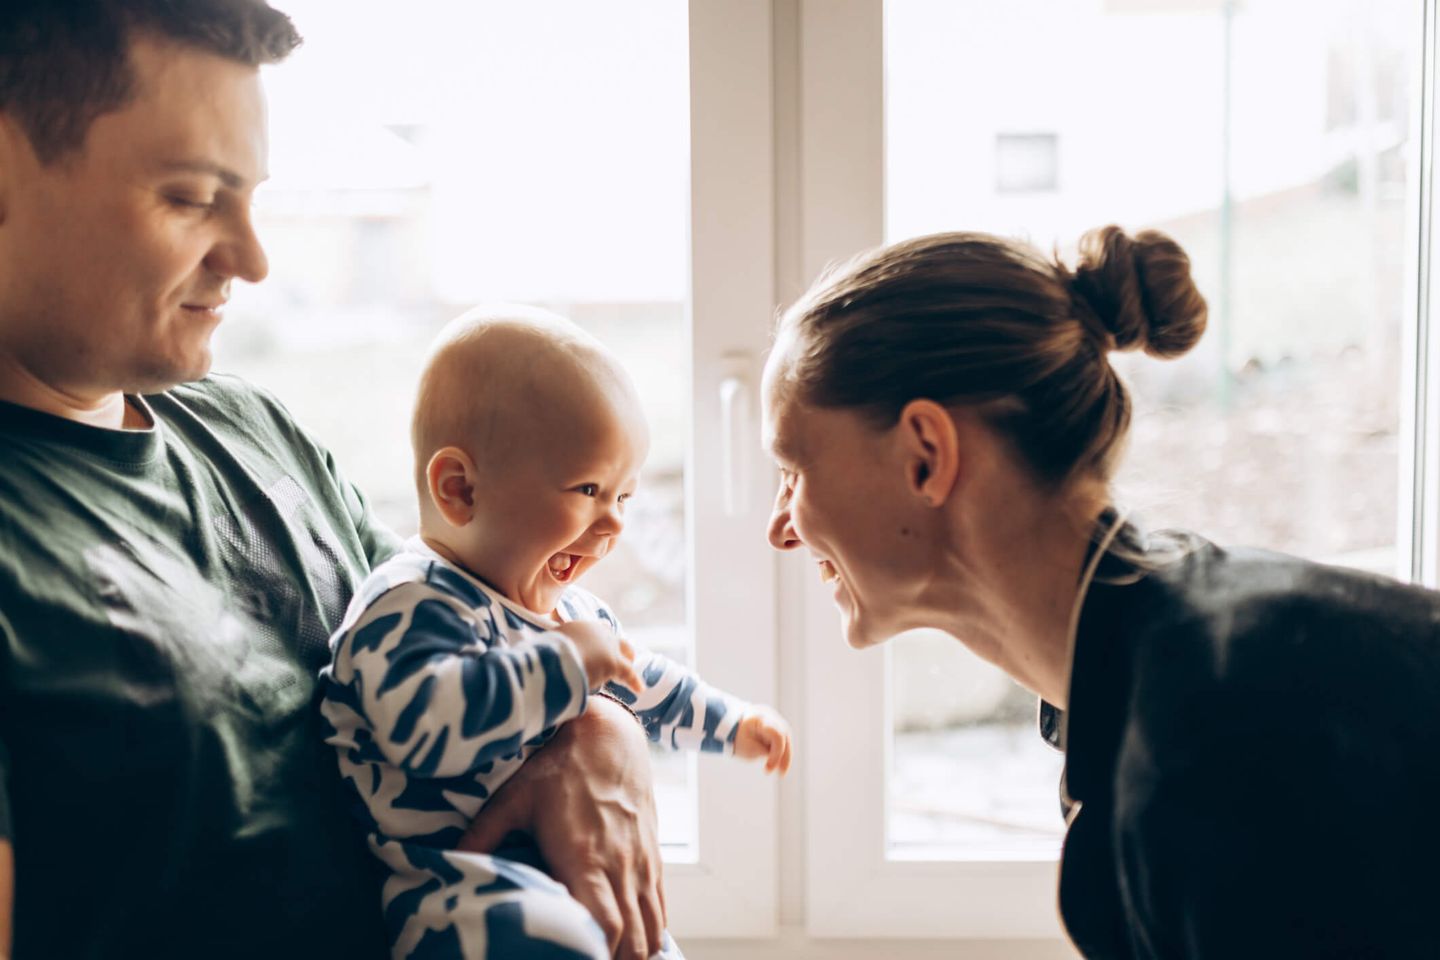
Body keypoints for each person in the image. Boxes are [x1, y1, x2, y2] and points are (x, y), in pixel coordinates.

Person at [0, 3, 674, 958]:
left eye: (251, 200)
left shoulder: (255, 430)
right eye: (192, 198)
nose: (254, 259)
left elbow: (493, 636)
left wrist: (601, 730)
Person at [762, 226, 1440, 958]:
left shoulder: (1210, 745)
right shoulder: (1173, 671)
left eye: (794, 470)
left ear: (926, 457)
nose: (780, 528)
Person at [321, 306, 792, 960]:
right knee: (549, 937)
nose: (613, 525)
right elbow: (426, 732)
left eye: (624, 497)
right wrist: (567, 664)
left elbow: (650, 686)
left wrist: (730, 723)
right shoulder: (409, 601)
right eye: (589, 489)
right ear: (460, 490)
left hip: (561, 869)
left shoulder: (572, 613)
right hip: (454, 887)